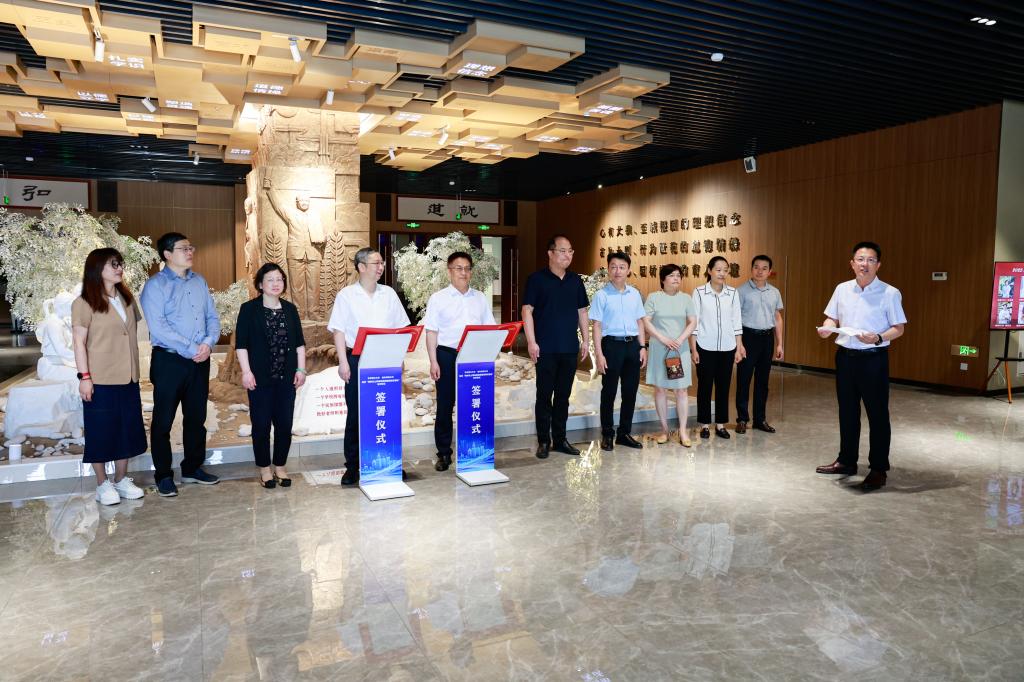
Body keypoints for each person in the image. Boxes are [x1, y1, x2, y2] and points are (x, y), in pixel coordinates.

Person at [816, 241, 906, 491]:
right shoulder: (842, 289)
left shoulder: (890, 293)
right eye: (860, 259)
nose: (864, 264)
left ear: (878, 265)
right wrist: (827, 328)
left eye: (870, 260)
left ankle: (878, 469)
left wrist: (878, 337)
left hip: (873, 359)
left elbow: (898, 328)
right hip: (845, 358)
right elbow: (831, 317)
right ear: (852, 263)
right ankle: (846, 461)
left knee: (877, 415)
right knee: (847, 411)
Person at [140, 232, 221, 497]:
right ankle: (164, 475)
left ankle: (192, 468)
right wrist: (192, 348)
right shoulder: (155, 286)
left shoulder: (199, 281)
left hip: (199, 360)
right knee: (163, 421)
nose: (190, 252)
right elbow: (158, 327)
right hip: (170, 361)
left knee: (197, 418)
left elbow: (212, 317)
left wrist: (208, 344)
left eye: (190, 247)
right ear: (167, 254)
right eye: (183, 248)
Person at [71, 248, 147, 505]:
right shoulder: (84, 303)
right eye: (113, 264)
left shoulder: (127, 299)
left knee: (127, 429)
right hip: (100, 379)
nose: (119, 268)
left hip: (129, 377)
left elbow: (129, 334)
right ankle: (102, 483)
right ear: (97, 269)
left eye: (120, 264)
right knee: (101, 431)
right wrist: (84, 377)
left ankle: (121, 479)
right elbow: (79, 342)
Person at [328, 247, 410, 486]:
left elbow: (401, 329)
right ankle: (353, 466)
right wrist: (343, 362)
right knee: (356, 414)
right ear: (361, 267)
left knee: (387, 411)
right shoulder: (346, 295)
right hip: (358, 359)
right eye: (376, 263)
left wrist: (400, 357)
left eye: (382, 263)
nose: (381, 267)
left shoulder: (389, 294)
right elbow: (339, 331)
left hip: (386, 360)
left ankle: (390, 461)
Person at [234, 263, 307, 489]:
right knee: (261, 425)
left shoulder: (290, 309)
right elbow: (242, 345)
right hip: (260, 378)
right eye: (270, 280)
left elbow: (299, 344)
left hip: (287, 378)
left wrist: (301, 369)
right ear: (260, 284)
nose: (276, 284)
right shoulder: (249, 309)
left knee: (284, 424)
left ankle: (281, 467)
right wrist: (246, 371)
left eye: (279, 279)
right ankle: (265, 469)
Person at [423, 252, 496, 472]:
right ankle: (444, 453)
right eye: (459, 268)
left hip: (473, 356)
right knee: (445, 405)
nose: (463, 272)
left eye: (467, 268)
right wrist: (433, 361)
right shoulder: (438, 298)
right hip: (447, 355)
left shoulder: (480, 298)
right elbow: (431, 332)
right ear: (449, 271)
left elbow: (490, 328)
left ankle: (473, 449)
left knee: (473, 402)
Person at [522, 235, 590, 459]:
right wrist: (531, 341)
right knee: (544, 396)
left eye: (570, 251)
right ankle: (544, 440)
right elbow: (527, 311)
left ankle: (560, 439)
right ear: (550, 253)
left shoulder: (575, 281)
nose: (567, 255)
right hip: (545, 348)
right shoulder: (536, 279)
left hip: (569, 347)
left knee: (563, 396)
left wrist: (586, 340)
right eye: (562, 251)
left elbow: (582, 311)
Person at [589, 251, 647, 451]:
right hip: (611, 346)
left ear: (628, 270)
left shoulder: (635, 294)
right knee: (609, 391)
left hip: (632, 346)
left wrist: (642, 347)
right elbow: (597, 325)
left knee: (630, 391)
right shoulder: (601, 295)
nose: (617, 271)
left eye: (622, 267)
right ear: (608, 269)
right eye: (613, 267)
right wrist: (599, 354)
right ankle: (607, 434)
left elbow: (640, 321)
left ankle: (624, 433)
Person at [690, 256, 745, 439]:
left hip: (728, 347)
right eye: (718, 269)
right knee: (704, 387)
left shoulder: (733, 293)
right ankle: (705, 424)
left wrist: (739, 346)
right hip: (705, 346)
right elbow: (694, 322)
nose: (722, 273)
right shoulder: (699, 292)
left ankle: (721, 424)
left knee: (724, 386)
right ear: (709, 270)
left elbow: (736, 321)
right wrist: (694, 349)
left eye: (725, 270)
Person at [643, 264, 698, 447]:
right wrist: (662, 338)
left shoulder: (686, 298)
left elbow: (692, 322)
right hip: (660, 348)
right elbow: (646, 321)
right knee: (660, 389)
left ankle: (682, 431)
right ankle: (664, 430)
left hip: (679, 349)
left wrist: (680, 339)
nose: (676, 278)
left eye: (678, 276)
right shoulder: (653, 297)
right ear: (662, 279)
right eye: (672, 275)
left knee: (681, 390)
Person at [735, 255, 785, 434]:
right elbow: (735, 319)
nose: (760, 271)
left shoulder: (775, 292)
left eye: (764, 268)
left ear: (770, 271)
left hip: (767, 339)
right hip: (748, 337)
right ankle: (742, 419)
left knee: (763, 382)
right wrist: (739, 344)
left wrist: (779, 344)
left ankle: (759, 419)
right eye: (756, 267)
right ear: (751, 269)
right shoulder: (741, 291)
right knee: (744, 380)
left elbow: (777, 318)